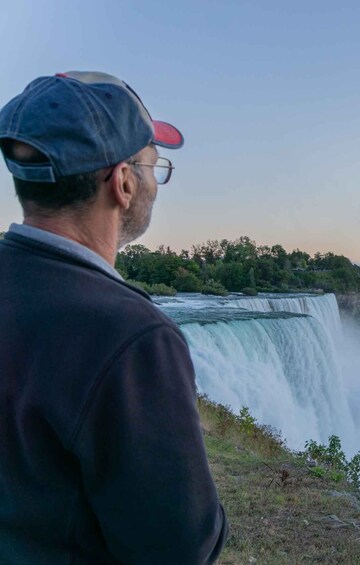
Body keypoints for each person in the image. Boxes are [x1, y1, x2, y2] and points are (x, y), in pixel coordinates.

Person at [0, 71, 227, 563]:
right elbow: (180, 548)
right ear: (122, 181)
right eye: (153, 165)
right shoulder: (132, 337)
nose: (155, 180)